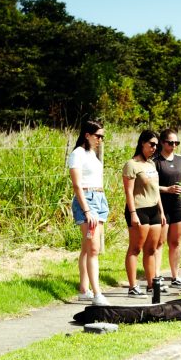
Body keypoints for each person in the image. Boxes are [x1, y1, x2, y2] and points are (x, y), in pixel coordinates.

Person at [68, 120, 110, 306]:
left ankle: (84, 289)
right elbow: (77, 185)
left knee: (88, 246)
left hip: (99, 198)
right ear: (87, 135)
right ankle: (97, 294)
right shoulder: (77, 154)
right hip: (87, 199)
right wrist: (86, 210)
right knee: (93, 248)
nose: (100, 139)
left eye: (102, 136)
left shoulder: (93, 154)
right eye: (97, 136)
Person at [122, 130, 166, 297]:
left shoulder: (151, 164)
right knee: (135, 248)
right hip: (139, 210)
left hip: (154, 209)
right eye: (152, 144)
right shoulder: (131, 164)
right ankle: (133, 286)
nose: (155, 148)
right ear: (142, 143)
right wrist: (133, 213)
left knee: (152, 249)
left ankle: (150, 284)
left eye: (157, 145)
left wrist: (161, 211)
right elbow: (128, 192)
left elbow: (156, 190)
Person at [154, 129, 181, 287]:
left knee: (176, 242)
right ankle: (156, 276)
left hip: (178, 205)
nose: (174, 145)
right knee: (160, 242)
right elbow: (149, 184)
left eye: (176, 143)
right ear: (162, 143)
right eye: (170, 143)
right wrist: (166, 189)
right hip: (161, 205)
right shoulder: (155, 161)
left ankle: (175, 275)